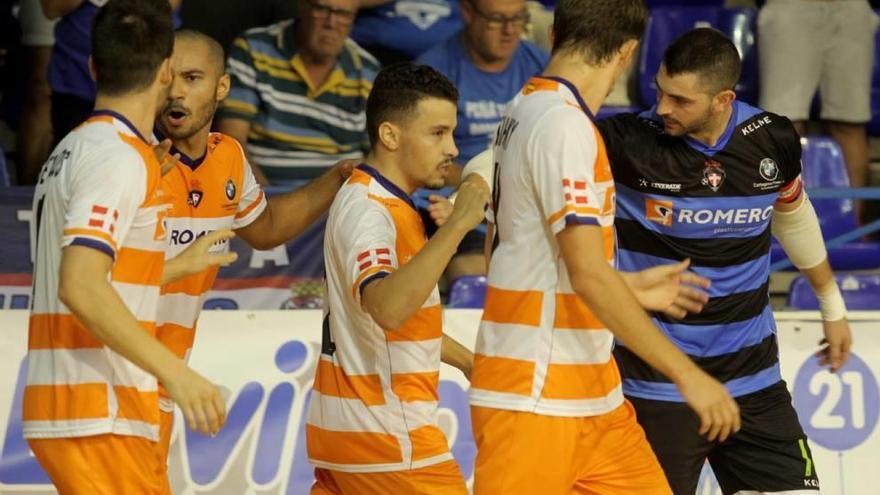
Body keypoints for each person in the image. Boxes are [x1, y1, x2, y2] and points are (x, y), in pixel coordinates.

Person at [468, 1, 740, 493]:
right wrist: (687, 375)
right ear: (628, 51)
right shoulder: (565, 126)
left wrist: (627, 286)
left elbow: (506, 254)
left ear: (552, 34)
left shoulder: (519, 110)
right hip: (536, 398)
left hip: (594, 397)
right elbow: (586, 272)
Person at [596, 28, 853, 494]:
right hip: (656, 387)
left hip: (753, 382)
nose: (662, 108)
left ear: (723, 99)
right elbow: (526, 150)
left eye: (680, 99)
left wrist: (831, 305)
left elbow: (792, 218)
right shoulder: (625, 141)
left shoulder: (771, 139)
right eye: (658, 91)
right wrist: (477, 184)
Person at [22, 2, 228, 493]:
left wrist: (175, 266)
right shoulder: (115, 158)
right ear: (165, 72)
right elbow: (80, 285)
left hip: (85, 408)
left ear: (93, 67)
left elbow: (90, 279)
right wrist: (175, 373)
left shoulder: (76, 147)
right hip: (98, 411)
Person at [154, 29, 355, 465]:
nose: (176, 92)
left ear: (221, 88)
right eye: (168, 77)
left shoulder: (227, 155)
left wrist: (337, 177)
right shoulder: (133, 157)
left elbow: (264, 228)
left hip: (163, 377)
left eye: (192, 78)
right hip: (113, 371)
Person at [306, 62, 485, 495]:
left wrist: (469, 362)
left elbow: (395, 316)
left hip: (351, 431)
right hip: (388, 438)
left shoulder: (382, 202)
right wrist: (460, 224)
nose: (453, 149)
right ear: (390, 135)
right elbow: (387, 308)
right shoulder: (371, 210)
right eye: (438, 133)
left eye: (452, 133)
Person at [415, 0, 547, 280]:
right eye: (497, 19)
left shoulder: (541, 67)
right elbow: (420, 162)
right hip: (459, 205)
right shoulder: (433, 72)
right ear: (467, 12)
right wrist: (482, 180)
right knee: (473, 275)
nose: (510, 30)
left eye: (518, 18)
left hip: (527, 206)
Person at [216, 0, 379, 185]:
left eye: (343, 14)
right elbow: (232, 141)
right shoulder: (254, 49)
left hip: (341, 202)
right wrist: (264, 202)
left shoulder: (368, 70)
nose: (331, 23)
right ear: (302, 6)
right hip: (266, 196)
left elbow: (377, 158)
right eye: (322, 9)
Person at [759, 0, 879, 218]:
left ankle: (854, 226)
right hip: (790, 6)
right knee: (784, 124)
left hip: (851, 8)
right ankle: (778, 222)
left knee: (850, 123)